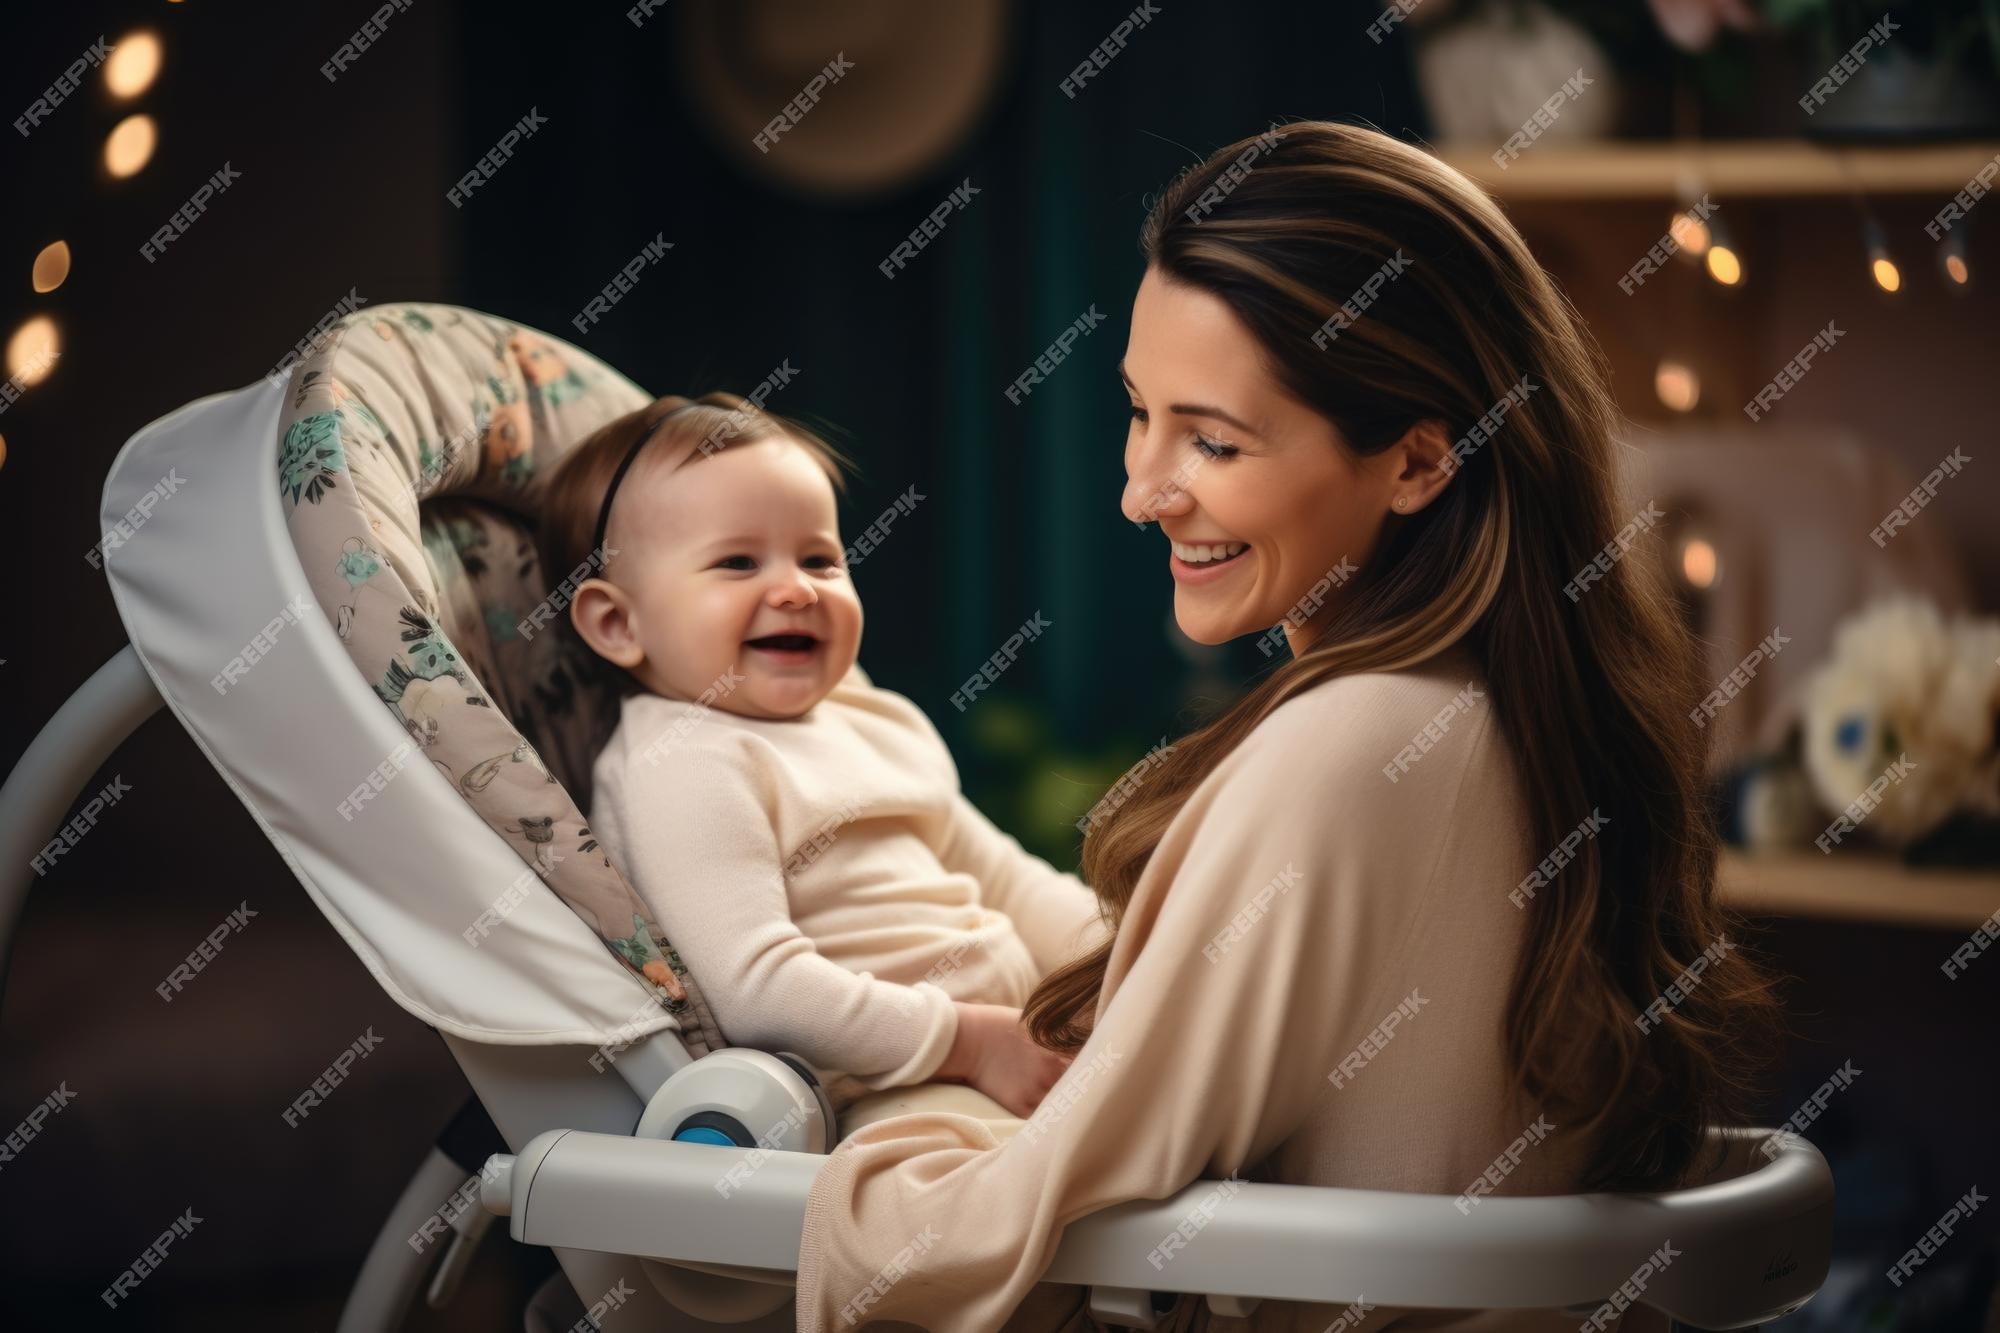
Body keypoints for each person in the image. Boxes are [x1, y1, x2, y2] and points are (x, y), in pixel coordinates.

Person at [792, 119, 1782, 1332]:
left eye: (1211, 438)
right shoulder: (1505, 715)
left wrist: (878, 1111)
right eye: (1137, 411)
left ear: (1418, 460)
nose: (1139, 488)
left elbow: (1008, 1229)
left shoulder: (1354, 746)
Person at [536, 394, 1110, 1119]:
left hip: (1020, 1040)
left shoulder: (866, 713)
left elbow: (998, 874)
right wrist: (967, 1042)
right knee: (1001, 1191)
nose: (797, 588)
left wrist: (1116, 952)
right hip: (896, 1089)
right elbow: (760, 991)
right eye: (738, 561)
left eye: (820, 558)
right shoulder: (684, 763)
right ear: (619, 623)